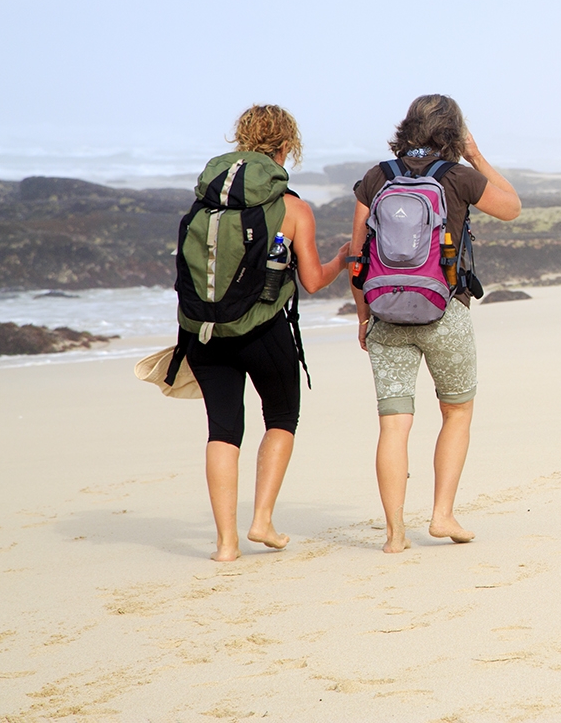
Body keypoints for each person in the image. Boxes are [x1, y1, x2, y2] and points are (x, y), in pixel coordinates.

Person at [351, 95, 522, 553]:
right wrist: (477, 155)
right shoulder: (459, 178)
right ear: (453, 133)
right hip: (445, 311)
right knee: (457, 411)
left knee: (394, 423)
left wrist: (364, 316)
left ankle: (393, 535)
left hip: (385, 311)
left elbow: (356, 257)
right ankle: (442, 515)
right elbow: (512, 207)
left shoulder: (378, 177)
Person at [186, 105, 350, 562]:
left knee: (222, 430)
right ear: (285, 147)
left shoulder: (205, 203)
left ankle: (225, 545)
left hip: (204, 333)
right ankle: (261, 521)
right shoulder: (292, 208)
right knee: (280, 418)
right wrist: (342, 258)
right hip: (263, 332)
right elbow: (314, 281)